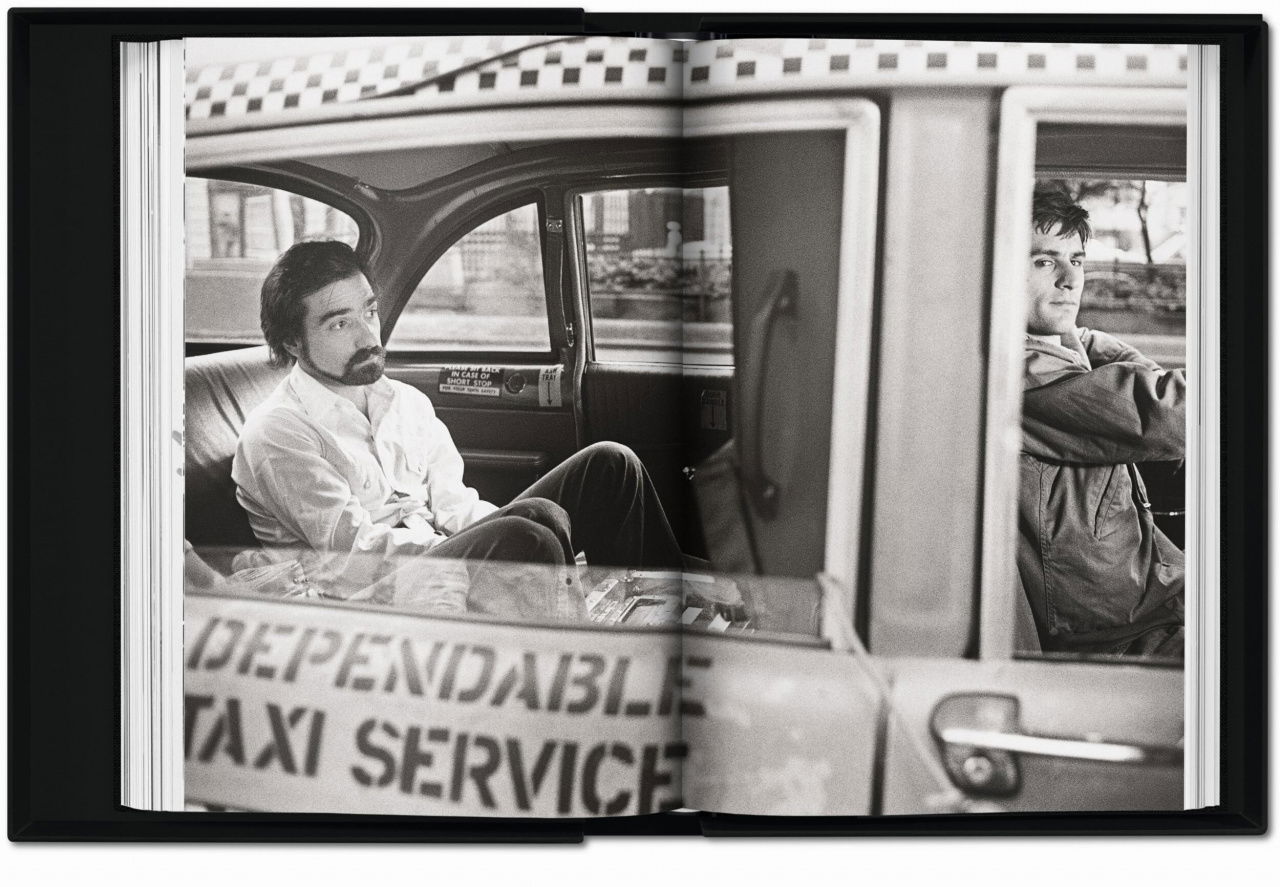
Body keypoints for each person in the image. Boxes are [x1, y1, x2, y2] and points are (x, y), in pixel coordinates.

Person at [230, 240, 681, 617]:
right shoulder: (278, 434)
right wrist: (492, 541)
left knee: (610, 464)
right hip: (370, 597)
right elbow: (351, 556)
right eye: (340, 324)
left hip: (439, 556)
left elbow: (454, 503)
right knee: (530, 533)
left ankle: (676, 616)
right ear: (292, 341)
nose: (368, 338)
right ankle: (584, 672)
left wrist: (492, 530)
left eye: (369, 313)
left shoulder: (404, 401)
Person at [1016, 186, 1185, 658]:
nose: (1072, 279)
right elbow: (1167, 415)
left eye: (1078, 260)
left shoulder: (1057, 348)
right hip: (1115, 628)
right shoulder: (1023, 373)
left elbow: (1102, 350)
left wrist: (1067, 329)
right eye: (1044, 262)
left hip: (1148, 593)